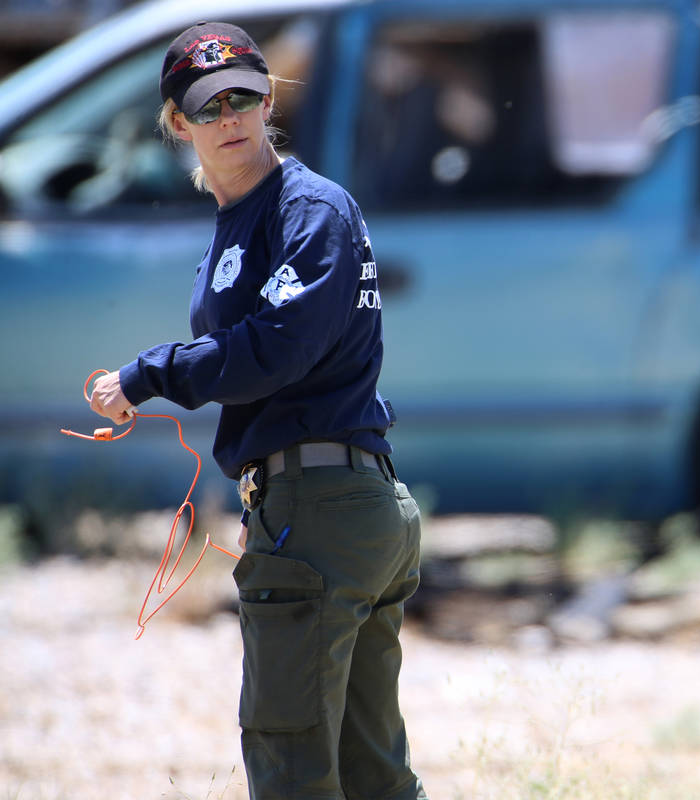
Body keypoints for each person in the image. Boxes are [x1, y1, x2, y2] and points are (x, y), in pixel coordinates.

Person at [86, 21, 427, 800]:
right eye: (208, 106)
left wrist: (148, 375)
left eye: (243, 97)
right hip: (317, 507)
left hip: (332, 508)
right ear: (179, 124)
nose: (229, 118)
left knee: (293, 772)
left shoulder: (308, 208)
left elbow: (276, 349)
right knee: (370, 776)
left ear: (269, 99)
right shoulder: (240, 220)